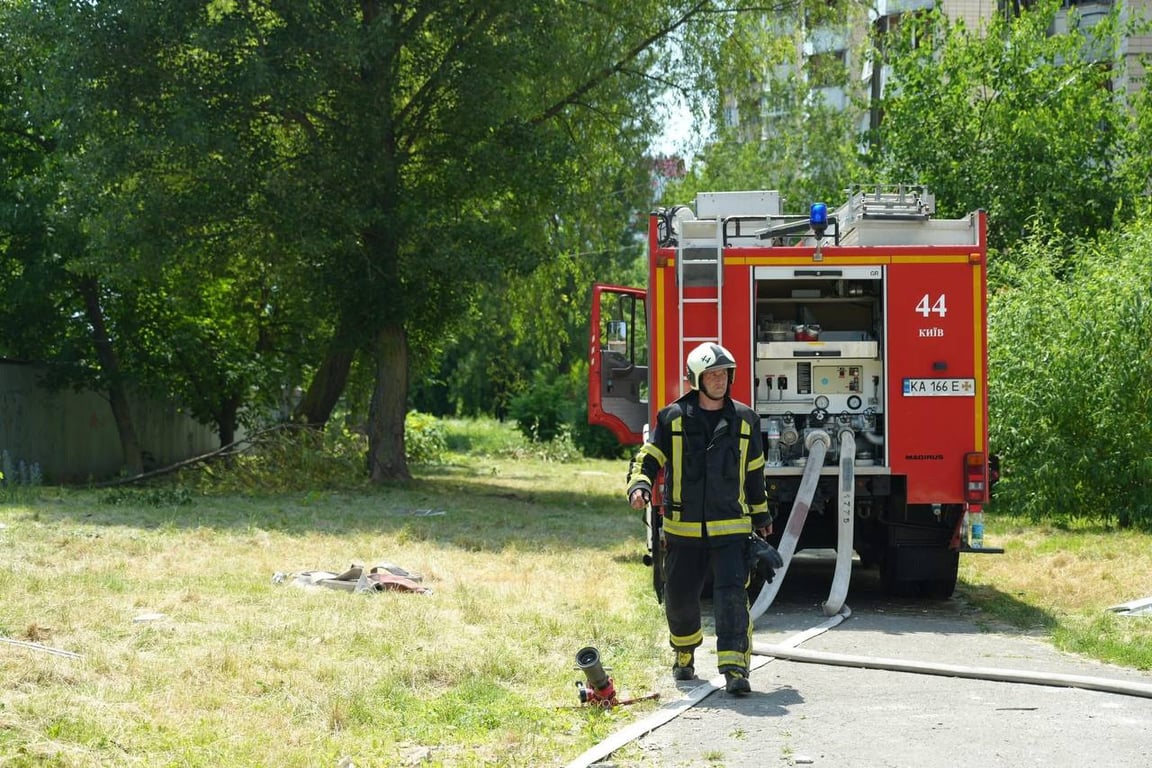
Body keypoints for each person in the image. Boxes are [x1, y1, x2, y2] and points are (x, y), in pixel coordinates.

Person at [626, 342, 774, 695]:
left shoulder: (745, 420)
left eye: (724, 374)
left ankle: (735, 669)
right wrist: (640, 486)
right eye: (712, 375)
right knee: (678, 598)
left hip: (732, 529)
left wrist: (762, 516)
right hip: (682, 530)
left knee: (732, 598)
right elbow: (648, 458)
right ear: (696, 379)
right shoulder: (672, 418)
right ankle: (684, 654)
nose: (720, 381)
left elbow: (754, 474)